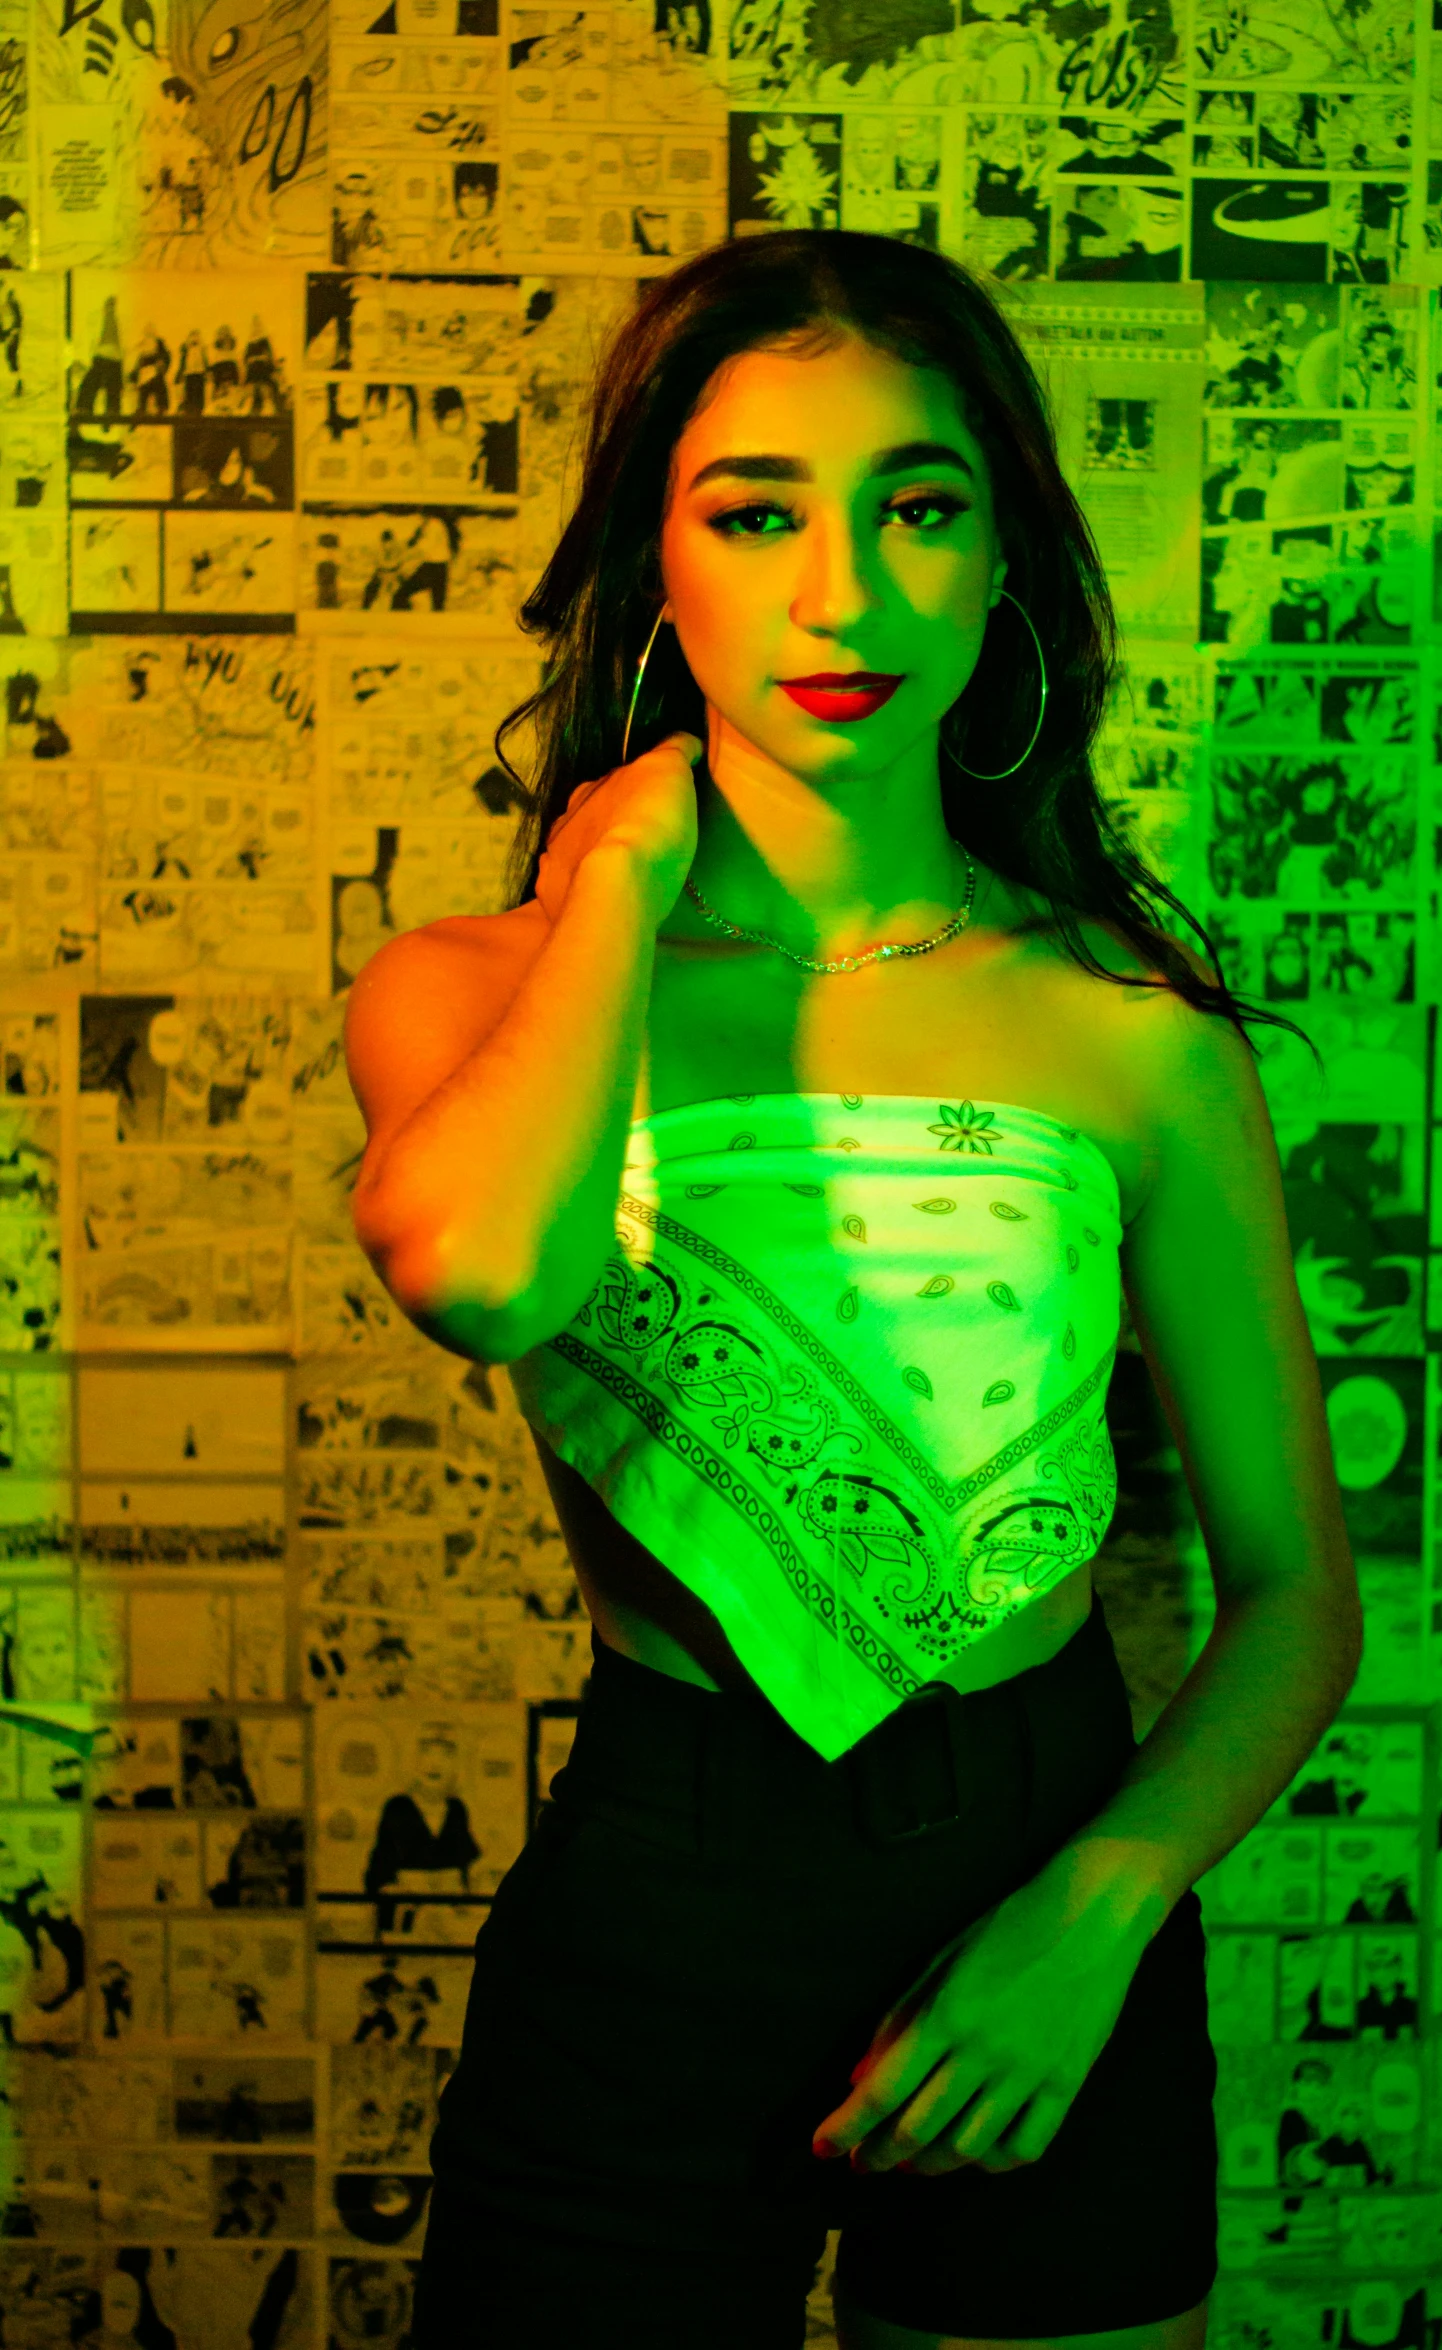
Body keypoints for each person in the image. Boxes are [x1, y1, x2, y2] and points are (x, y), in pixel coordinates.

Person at [343, 229, 1362, 2350]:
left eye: (918, 508)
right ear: (662, 564)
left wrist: (1101, 1904)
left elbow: (1292, 1590)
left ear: (1004, 566)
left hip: (1055, 1853)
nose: (844, 595)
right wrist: (617, 869)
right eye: (755, 514)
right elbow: (492, 1273)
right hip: (664, 1878)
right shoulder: (472, 990)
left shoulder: (1134, 1034)